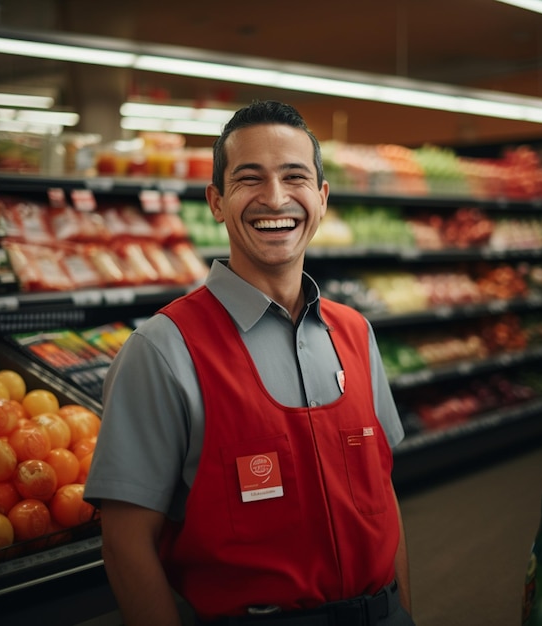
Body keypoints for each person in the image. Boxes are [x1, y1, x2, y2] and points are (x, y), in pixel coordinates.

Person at [84, 100, 416, 626]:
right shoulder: (163, 349)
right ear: (217, 201)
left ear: (322, 199)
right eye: (249, 179)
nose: (275, 198)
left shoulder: (355, 333)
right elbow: (126, 540)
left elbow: (382, 492)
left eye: (295, 177)